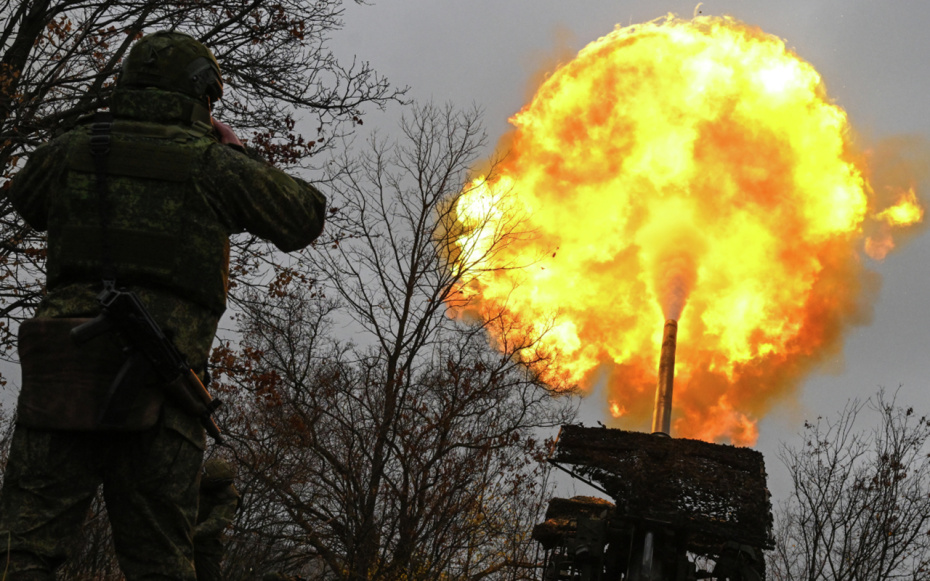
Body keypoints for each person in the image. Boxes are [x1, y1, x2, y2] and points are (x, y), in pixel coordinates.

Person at [0, 30, 326, 580]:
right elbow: (303, 217)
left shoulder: (76, 147)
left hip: (64, 371)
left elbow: (28, 201)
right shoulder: (212, 164)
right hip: (157, 381)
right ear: (202, 94)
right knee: (160, 563)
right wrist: (235, 151)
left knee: (21, 549)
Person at [194, 458, 241, 581]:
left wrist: (190, 533)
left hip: (205, 545)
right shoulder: (192, 477)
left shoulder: (229, 496)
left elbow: (216, 522)